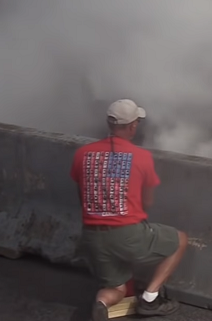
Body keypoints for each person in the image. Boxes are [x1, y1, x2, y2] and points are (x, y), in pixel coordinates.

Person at [71, 99, 188, 320]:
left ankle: (101, 303)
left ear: (108, 123)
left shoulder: (82, 154)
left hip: (92, 236)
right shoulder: (142, 157)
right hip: (127, 235)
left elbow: (82, 197)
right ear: (133, 126)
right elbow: (148, 202)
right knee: (180, 240)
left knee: (117, 289)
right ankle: (150, 300)